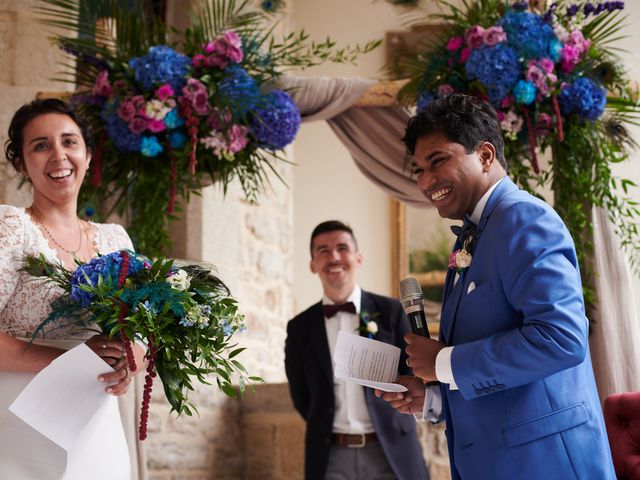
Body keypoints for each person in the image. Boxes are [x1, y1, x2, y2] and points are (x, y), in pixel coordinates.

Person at [376, 93, 615, 479]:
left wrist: (443, 362)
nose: (426, 181)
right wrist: (433, 397)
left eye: (438, 161)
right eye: (418, 169)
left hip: (544, 464)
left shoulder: (525, 219)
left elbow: (561, 339)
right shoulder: (471, 235)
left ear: (485, 155)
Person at [0, 98, 146, 479]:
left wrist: (128, 361)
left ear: (87, 153)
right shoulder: (10, 227)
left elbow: (141, 337)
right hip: (21, 422)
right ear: (21, 163)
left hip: (97, 423)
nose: (58, 155)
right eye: (41, 145)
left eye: (69, 141)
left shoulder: (115, 239)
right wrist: (70, 360)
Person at [285, 220, 429, 480]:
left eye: (342, 248)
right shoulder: (299, 327)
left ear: (358, 257)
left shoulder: (392, 312)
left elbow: (415, 373)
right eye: (323, 251)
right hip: (330, 457)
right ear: (312, 264)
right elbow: (301, 395)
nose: (334, 257)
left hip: (391, 449)